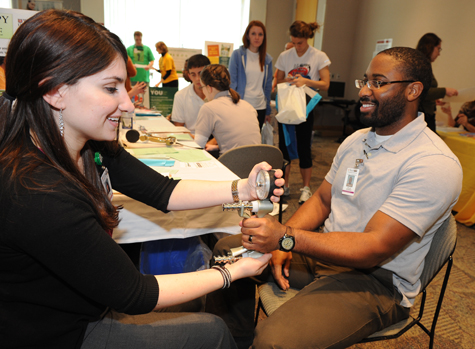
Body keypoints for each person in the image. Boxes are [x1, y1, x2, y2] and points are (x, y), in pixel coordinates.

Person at [0, 10, 285, 348]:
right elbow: (135, 293)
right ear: (55, 92)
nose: (128, 104)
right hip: (58, 333)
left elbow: (163, 190)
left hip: (84, 307)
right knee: (213, 332)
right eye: (111, 88)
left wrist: (244, 188)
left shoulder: (90, 146)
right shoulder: (36, 192)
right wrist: (232, 271)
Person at [206, 47, 462, 349]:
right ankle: (234, 340)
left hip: (376, 280)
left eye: (378, 82)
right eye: (364, 81)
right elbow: (322, 201)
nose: (365, 91)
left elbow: (373, 248)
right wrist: (282, 243)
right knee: (226, 252)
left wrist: (286, 238)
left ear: (413, 90)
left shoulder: (433, 163)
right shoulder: (357, 140)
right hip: (326, 253)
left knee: (275, 343)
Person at [275, 20, 331, 204]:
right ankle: (285, 185)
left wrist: (306, 81)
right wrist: (290, 79)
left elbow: (325, 83)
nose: (297, 47)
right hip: (287, 105)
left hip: (306, 106)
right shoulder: (284, 55)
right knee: (285, 148)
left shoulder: (318, 56)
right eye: (294, 42)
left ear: (307, 39)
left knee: (304, 148)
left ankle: (306, 188)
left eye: (300, 43)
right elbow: (278, 81)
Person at [194, 64, 262, 156]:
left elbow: (198, 147)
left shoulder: (209, 108)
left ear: (209, 88)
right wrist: (217, 147)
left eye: (202, 87)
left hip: (232, 164)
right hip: (257, 164)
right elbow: (243, 142)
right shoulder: (248, 106)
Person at [229, 20, 273, 130]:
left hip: (260, 106)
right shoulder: (238, 55)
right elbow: (232, 82)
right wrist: (232, 104)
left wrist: (268, 110)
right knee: (240, 136)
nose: (257, 37)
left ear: (264, 37)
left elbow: (267, 87)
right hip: (242, 104)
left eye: (260, 34)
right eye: (253, 33)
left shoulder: (267, 59)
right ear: (248, 36)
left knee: (254, 140)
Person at [416, 33, 458, 132]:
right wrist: (444, 91)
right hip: (422, 117)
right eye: (438, 49)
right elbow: (421, 92)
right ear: (429, 47)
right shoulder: (421, 65)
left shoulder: (423, 64)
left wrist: (433, 101)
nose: (439, 53)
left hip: (425, 114)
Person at [170, 54, 210, 135]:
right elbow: (179, 127)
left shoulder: (219, 94)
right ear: (189, 76)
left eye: (200, 73)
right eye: (193, 74)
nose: (197, 79)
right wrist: (198, 142)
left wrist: (211, 144)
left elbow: (224, 128)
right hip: (191, 139)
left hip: (215, 141)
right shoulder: (180, 96)